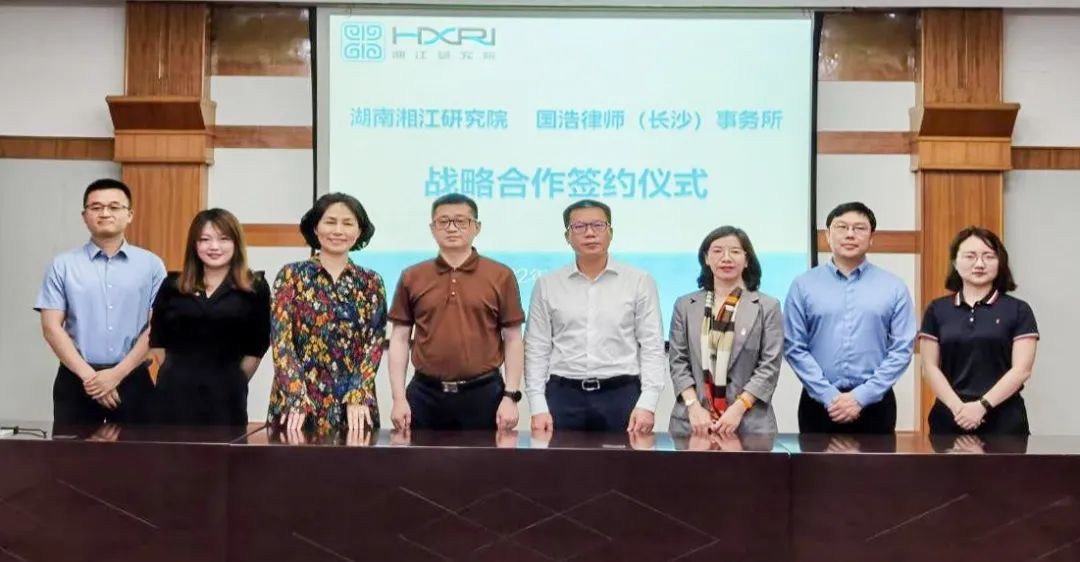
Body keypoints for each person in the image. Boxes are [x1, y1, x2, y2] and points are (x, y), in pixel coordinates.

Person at [524, 200, 666, 433]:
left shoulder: (639, 281)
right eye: (579, 227)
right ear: (567, 236)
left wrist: (648, 403)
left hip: (621, 394)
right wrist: (537, 405)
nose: (590, 233)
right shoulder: (547, 284)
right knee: (559, 458)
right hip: (563, 395)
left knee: (624, 458)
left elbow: (652, 345)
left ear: (611, 232)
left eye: (598, 225)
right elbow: (537, 347)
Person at [35, 178, 165, 430]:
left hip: (133, 379)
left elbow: (156, 327)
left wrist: (116, 375)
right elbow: (51, 328)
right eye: (96, 207)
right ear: (84, 216)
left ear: (130, 215)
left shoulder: (151, 265)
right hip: (76, 379)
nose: (105, 213)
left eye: (114, 207)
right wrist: (91, 379)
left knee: (138, 453)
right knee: (72, 454)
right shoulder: (62, 265)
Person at [388, 193, 525, 431]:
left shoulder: (501, 275)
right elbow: (399, 339)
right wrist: (399, 399)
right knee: (418, 456)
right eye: (443, 222)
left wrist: (510, 396)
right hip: (425, 394)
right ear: (432, 228)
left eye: (461, 221)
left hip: (484, 394)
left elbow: (513, 339)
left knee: (485, 456)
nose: (452, 228)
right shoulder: (412, 276)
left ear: (477, 227)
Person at [783, 201, 915, 434]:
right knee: (814, 461)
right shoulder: (803, 285)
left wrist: (860, 397)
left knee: (877, 460)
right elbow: (794, 346)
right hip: (819, 404)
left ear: (871, 238)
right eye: (842, 227)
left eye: (859, 228)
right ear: (828, 235)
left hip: (875, 404)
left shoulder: (894, 287)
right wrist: (828, 395)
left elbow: (902, 349)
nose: (850, 234)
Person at [267, 193, 386, 436]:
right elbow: (281, 342)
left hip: (353, 404)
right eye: (330, 222)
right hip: (297, 404)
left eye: (348, 223)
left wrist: (358, 392)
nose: (338, 231)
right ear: (315, 227)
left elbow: (374, 343)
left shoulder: (371, 281)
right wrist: (295, 395)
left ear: (359, 231)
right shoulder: (291, 276)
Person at [149, 208, 271, 426]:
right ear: (194, 245)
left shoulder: (255, 287)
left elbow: (257, 346)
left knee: (225, 448)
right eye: (205, 239)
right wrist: (181, 374)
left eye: (224, 239)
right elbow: (158, 339)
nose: (214, 247)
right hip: (174, 393)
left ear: (236, 243)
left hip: (227, 397)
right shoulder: (173, 285)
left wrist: (232, 379)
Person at [919, 226, 1038, 435]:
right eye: (970, 256)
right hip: (950, 417)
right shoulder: (937, 309)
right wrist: (959, 409)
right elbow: (929, 367)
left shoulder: (1019, 310)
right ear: (955, 262)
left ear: (1000, 263)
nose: (979, 264)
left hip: (1004, 420)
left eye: (988, 256)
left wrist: (981, 406)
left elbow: (1022, 370)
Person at [668, 226, 784, 436]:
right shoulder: (685, 305)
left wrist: (738, 408)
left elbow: (769, 365)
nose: (726, 258)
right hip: (694, 422)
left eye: (735, 251)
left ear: (747, 260)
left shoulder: (767, 306)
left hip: (749, 422)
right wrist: (693, 406)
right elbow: (678, 361)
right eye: (718, 251)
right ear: (706, 258)